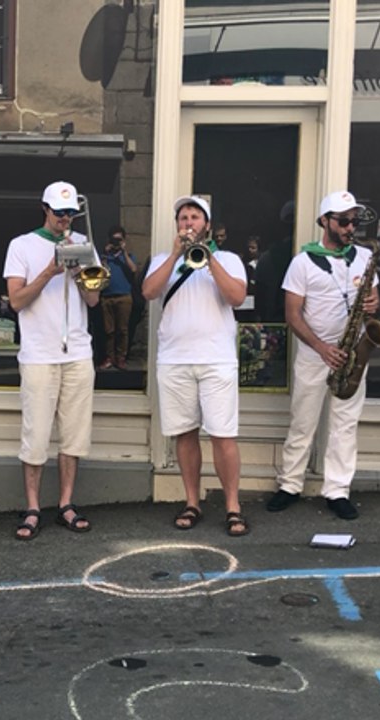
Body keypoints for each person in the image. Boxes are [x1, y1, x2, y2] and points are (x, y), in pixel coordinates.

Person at [268, 191, 380, 520]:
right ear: (324, 221)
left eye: (354, 221)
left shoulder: (363, 257)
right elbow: (292, 315)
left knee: (345, 424)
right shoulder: (302, 262)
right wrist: (321, 348)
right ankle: (290, 485)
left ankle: (338, 490)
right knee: (303, 421)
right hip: (315, 352)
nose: (350, 227)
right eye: (343, 221)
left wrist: (374, 304)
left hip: (353, 352)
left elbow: (374, 299)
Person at [141, 196, 249, 536]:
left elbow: (236, 297)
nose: (188, 222)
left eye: (195, 217)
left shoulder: (228, 259)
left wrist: (209, 259)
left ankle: (232, 505)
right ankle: (192, 502)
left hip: (216, 359)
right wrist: (176, 254)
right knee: (185, 434)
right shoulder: (162, 259)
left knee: (223, 435)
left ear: (207, 225)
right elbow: (148, 292)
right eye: (183, 217)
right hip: (175, 359)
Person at [4, 180, 101, 539]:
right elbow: (15, 302)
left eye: (70, 213)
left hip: (77, 350)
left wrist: (79, 275)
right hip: (39, 354)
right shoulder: (22, 245)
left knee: (74, 433)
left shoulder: (82, 245)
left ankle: (65, 503)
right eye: (59, 212)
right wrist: (49, 271)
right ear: (45, 209)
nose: (65, 218)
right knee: (37, 432)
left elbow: (93, 302)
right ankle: (32, 507)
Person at [99, 225, 138, 370]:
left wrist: (124, 252)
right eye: (114, 240)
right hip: (107, 297)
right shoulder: (105, 257)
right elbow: (100, 272)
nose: (116, 243)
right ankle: (109, 357)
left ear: (124, 240)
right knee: (109, 330)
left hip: (124, 297)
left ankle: (121, 358)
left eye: (119, 240)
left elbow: (133, 269)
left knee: (122, 330)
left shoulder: (127, 256)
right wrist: (104, 256)